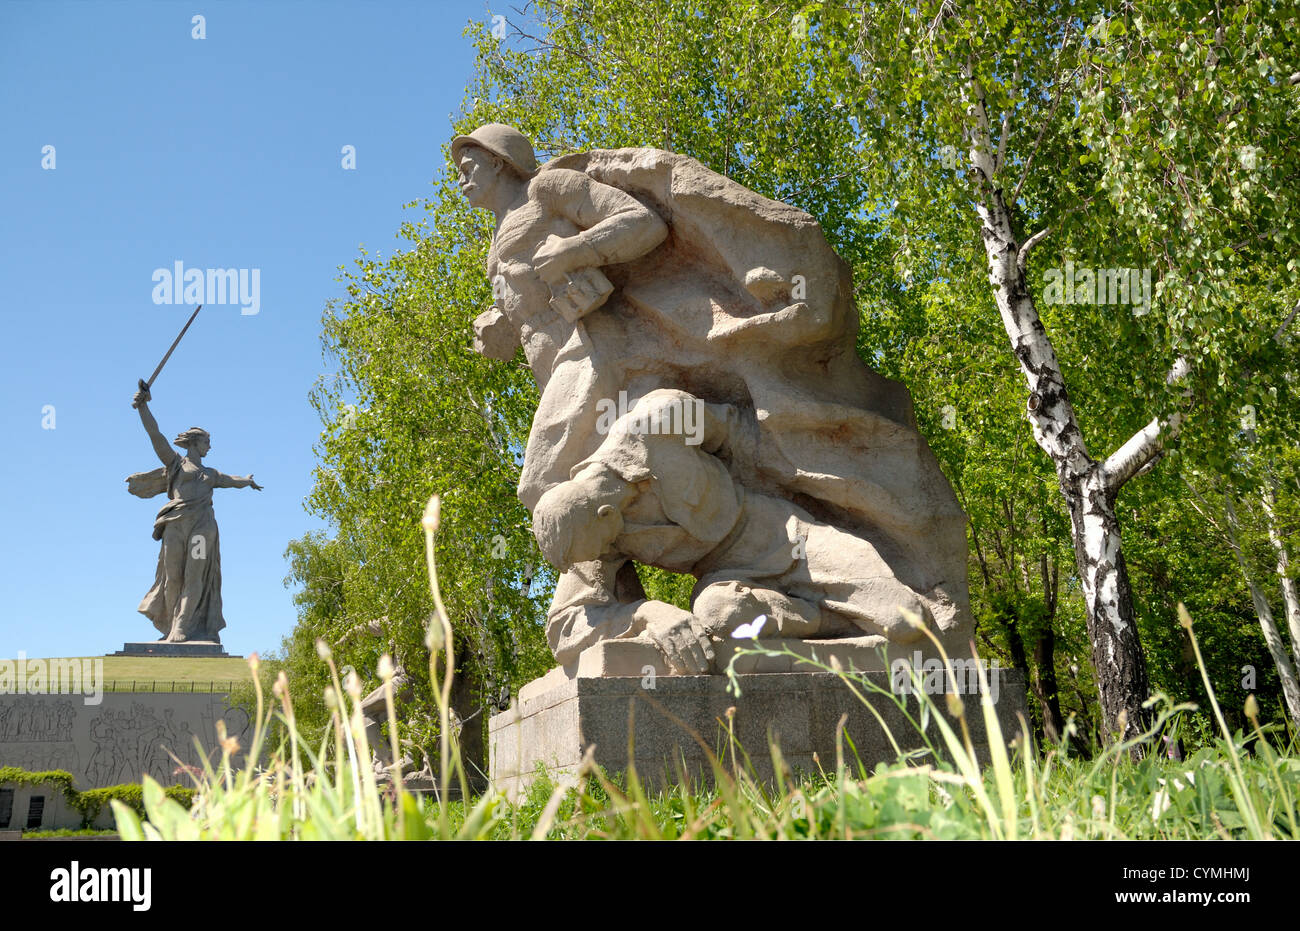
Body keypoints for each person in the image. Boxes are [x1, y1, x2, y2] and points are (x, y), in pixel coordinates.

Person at [127, 383, 261, 643]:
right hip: (175, 525)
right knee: (173, 576)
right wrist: (143, 407)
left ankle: (182, 626)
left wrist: (247, 480)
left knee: (194, 575)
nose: (209, 447)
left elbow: (232, 480)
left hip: (201, 528)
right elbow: (156, 437)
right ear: (194, 443)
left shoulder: (211, 474)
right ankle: (169, 625)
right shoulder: (176, 464)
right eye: (206, 442)